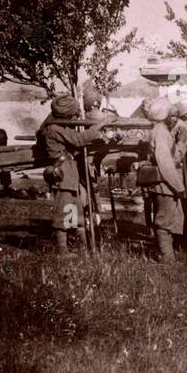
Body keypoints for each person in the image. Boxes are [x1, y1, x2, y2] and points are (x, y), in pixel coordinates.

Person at [40, 94, 110, 257]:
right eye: (73, 113)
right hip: (62, 172)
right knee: (63, 211)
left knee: (75, 209)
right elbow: (78, 140)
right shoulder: (54, 128)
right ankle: (63, 250)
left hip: (70, 171)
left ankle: (82, 248)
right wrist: (100, 125)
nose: (75, 115)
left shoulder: (57, 125)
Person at [146, 96, 186, 261]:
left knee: (169, 220)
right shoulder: (160, 132)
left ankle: (167, 256)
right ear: (163, 116)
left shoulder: (163, 131)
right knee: (164, 222)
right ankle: (167, 259)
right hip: (165, 184)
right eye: (172, 115)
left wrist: (181, 143)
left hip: (167, 183)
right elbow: (166, 163)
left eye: (176, 115)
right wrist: (179, 187)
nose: (175, 119)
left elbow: (174, 157)